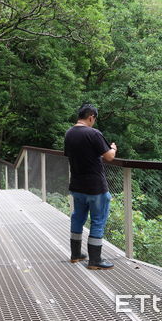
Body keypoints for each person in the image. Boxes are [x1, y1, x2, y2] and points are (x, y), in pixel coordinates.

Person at [64, 104, 117, 270]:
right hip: (95, 187)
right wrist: (113, 148)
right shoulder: (93, 133)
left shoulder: (69, 133)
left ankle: (75, 254)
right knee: (98, 221)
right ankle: (95, 260)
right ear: (91, 117)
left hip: (77, 185)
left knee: (78, 218)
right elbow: (109, 157)